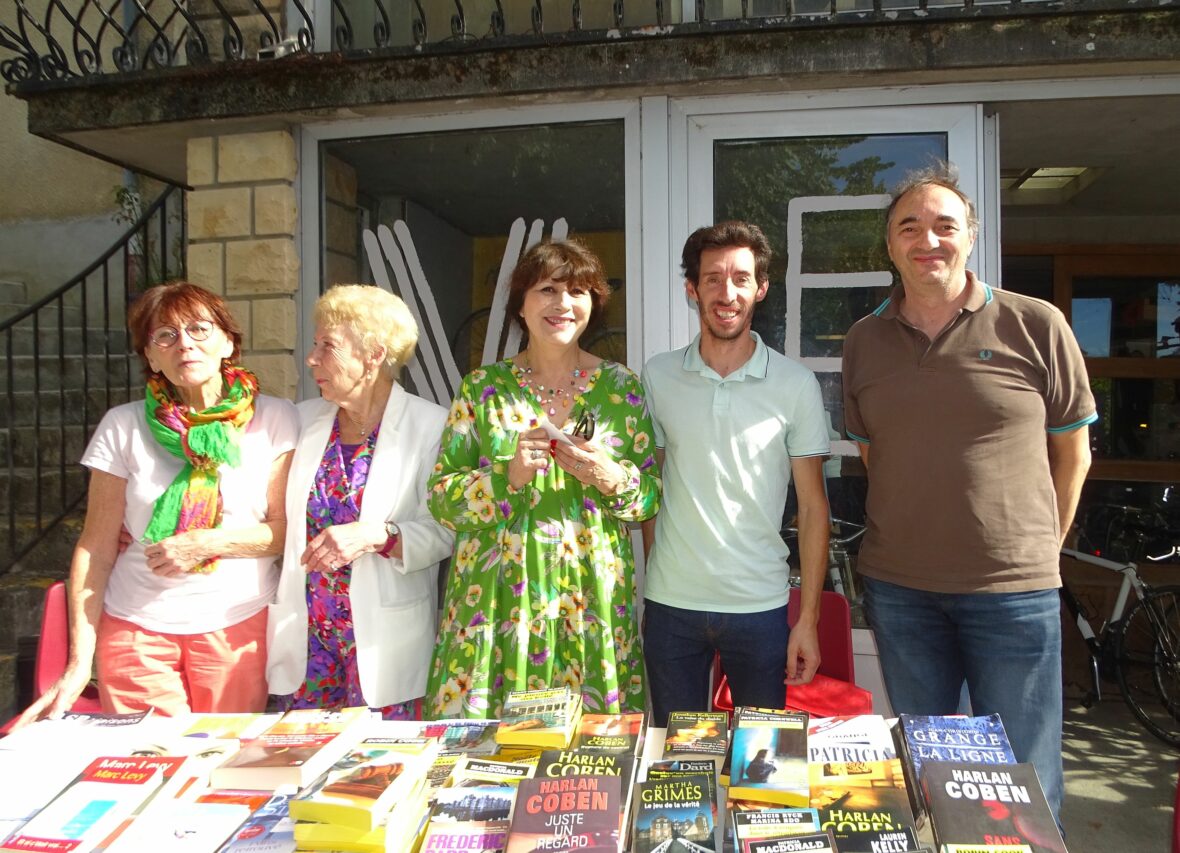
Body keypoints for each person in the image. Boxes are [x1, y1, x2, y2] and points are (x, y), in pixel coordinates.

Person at [842, 165, 1096, 821]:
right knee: (930, 773)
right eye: (910, 226)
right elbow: (877, 453)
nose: (928, 238)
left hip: (1012, 594)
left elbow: (1073, 450)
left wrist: (1044, 545)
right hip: (901, 593)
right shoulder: (864, 340)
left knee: (1023, 781)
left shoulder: (1035, 324)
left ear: (970, 238)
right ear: (891, 245)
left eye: (944, 225)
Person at [14, 282, 298, 724]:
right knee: (148, 765)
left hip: (237, 628)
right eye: (164, 335)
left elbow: (284, 532)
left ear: (228, 342)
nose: (184, 343)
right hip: (135, 630)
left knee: (223, 766)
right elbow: (96, 548)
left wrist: (205, 544)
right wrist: (77, 664)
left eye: (200, 329)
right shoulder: (122, 426)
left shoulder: (276, 418)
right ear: (150, 357)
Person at [426, 239, 660, 718]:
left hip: (589, 598)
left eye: (578, 290)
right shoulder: (483, 388)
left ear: (593, 304)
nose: (563, 304)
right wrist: (504, 478)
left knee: (589, 766)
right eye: (547, 289)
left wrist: (613, 477)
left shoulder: (621, 388)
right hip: (496, 602)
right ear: (521, 304)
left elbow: (650, 500)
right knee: (488, 765)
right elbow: (441, 499)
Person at [640, 221, 831, 726]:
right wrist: (660, 568)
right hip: (671, 606)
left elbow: (813, 509)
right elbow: (649, 489)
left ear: (761, 288)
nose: (727, 293)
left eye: (741, 278)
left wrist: (806, 619)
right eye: (713, 279)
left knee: (761, 766)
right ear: (692, 289)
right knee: (678, 772)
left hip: (761, 609)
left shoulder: (795, 385)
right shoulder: (656, 376)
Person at [267, 285, 454, 719]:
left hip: (381, 643)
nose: (312, 358)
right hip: (307, 641)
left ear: (373, 355)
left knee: (379, 770)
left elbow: (447, 530)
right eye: (314, 345)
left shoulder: (431, 426)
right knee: (300, 762)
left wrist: (378, 536)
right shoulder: (300, 420)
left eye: (327, 346)